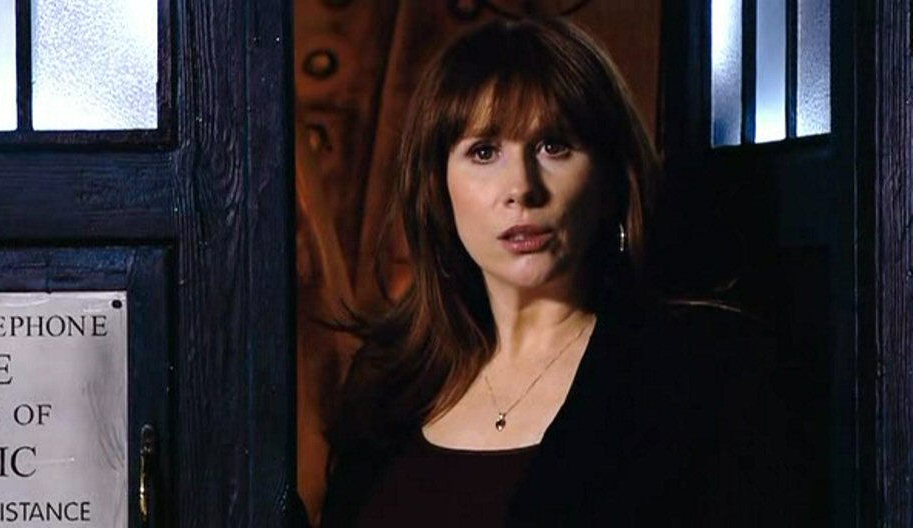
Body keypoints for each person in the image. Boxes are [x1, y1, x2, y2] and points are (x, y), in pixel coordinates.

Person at [318, 17, 798, 527]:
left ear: (610, 178)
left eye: (554, 147)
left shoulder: (698, 372)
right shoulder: (388, 380)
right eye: (484, 152)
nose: (521, 188)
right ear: (438, 187)